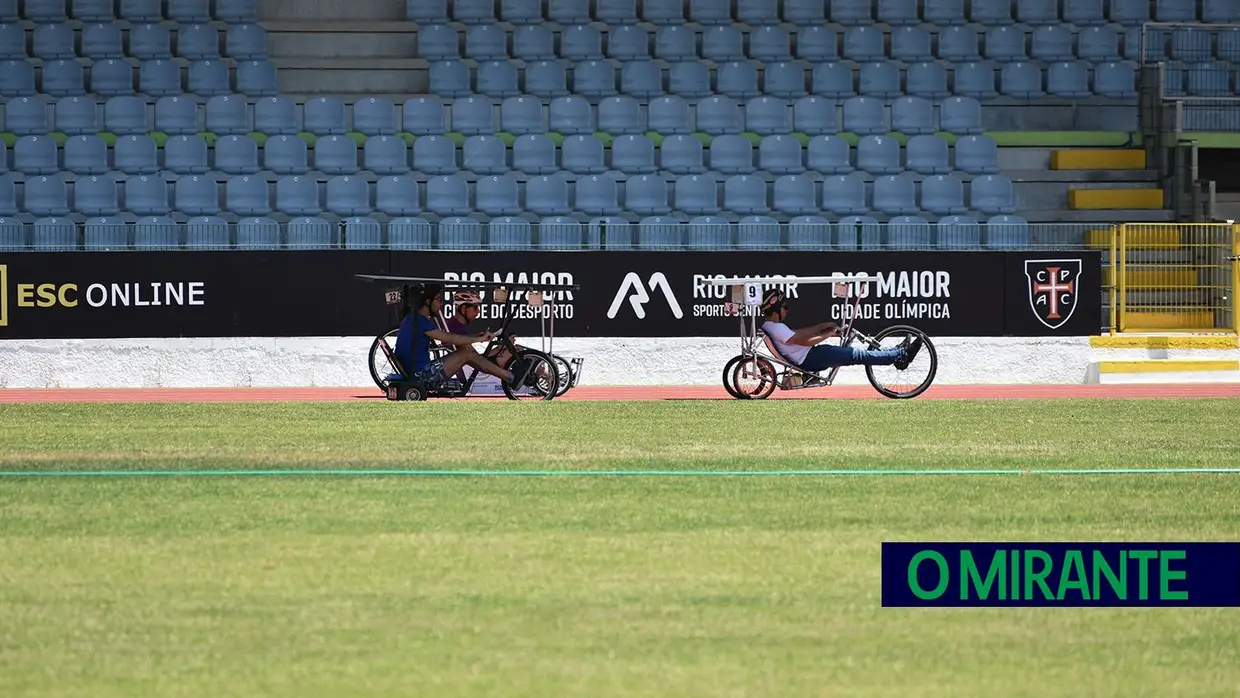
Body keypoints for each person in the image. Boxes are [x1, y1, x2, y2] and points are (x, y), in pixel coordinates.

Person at [393, 285, 533, 391]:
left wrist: (476, 337)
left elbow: (452, 338)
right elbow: (450, 338)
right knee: (467, 353)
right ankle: (510, 377)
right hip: (422, 376)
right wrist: (478, 339)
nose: (441, 304)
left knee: (468, 353)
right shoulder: (421, 322)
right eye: (438, 300)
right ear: (428, 302)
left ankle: (510, 376)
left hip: (421, 372)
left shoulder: (413, 319)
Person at [758, 288, 922, 373]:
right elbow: (803, 340)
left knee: (857, 354)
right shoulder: (777, 328)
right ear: (776, 309)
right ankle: (900, 355)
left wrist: (820, 327)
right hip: (811, 358)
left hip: (811, 355)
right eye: (784, 307)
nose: (787, 310)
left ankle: (895, 352)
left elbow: (799, 334)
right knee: (857, 355)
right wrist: (828, 334)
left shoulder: (771, 326)